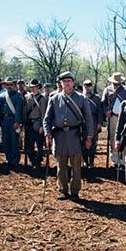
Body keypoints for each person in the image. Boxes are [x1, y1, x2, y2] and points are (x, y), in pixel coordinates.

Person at [44, 71, 94, 200]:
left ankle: (75, 191)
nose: (67, 83)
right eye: (64, 81)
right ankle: (63, 190)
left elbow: (88, 119)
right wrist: (48, 134)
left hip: (75, 135)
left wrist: (89, 136)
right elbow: (47, 119)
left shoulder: (81, 98)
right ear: (60, 83)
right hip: (59, 136)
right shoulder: (54, 98)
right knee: (61, 166)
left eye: (69, 81)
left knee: (76, 165)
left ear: (73, 82)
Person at [101, 72, 126, 166]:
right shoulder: (107, 90)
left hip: (123, 118)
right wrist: (106, 111)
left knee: (122, 137)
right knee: (112, 138)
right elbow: (103, 103)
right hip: (112, 117)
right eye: (115, 83)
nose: (116, 85)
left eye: (118, 83)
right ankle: (114, 159)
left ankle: (122, 160)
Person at [0, 77, 24, 167]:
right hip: (4, 120)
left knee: (14, 141)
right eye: (7, 84)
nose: (9, 86)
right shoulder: (2, 96)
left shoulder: (18, 96)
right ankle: (8, 158)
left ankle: (15, 160)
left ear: (14, 85)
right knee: (5, 140)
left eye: (11, 84)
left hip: (13, 121)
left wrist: (17, 121)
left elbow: (19, 110)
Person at [24, 79, 48, 170]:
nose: (33, 88)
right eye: (31, 87)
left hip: (38, 124)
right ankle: (32, 161)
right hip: (29, 124)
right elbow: (25, 112)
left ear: (38, 87)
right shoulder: (27, 97)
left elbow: (44, 113)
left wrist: (42, 126)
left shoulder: (42, 99)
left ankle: (38, 163)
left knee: (39, 146)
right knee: (29, 145)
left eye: (34, 87)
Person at [82, 79, 103, 168]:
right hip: (83, 122)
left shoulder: (97, 98)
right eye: (85, 85)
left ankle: (91, 162)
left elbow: (100, 112)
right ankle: (85, 161)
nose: (87, 87)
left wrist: (99, 123)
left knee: (93, 143)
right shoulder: (81, 97)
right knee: (83, 142)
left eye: (89, 85)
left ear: (91, 86)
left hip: (94, 121)